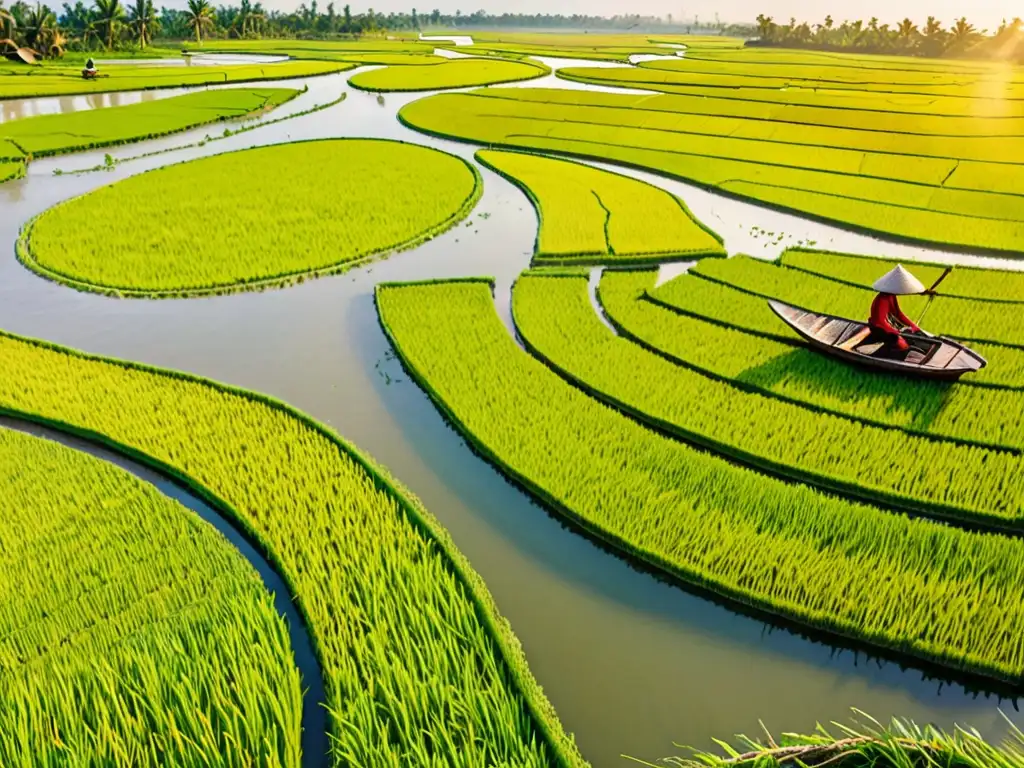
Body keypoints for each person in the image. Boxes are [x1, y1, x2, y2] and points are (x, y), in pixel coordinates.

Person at [867, 264, 925, 353]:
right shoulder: (882, 299)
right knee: (902, 345)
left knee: (913, 335)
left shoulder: (891, 296)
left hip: (885, 326)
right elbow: (880, 321)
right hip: (878, 328)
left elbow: (898, 313)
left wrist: (913, 326)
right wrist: (895, 332)